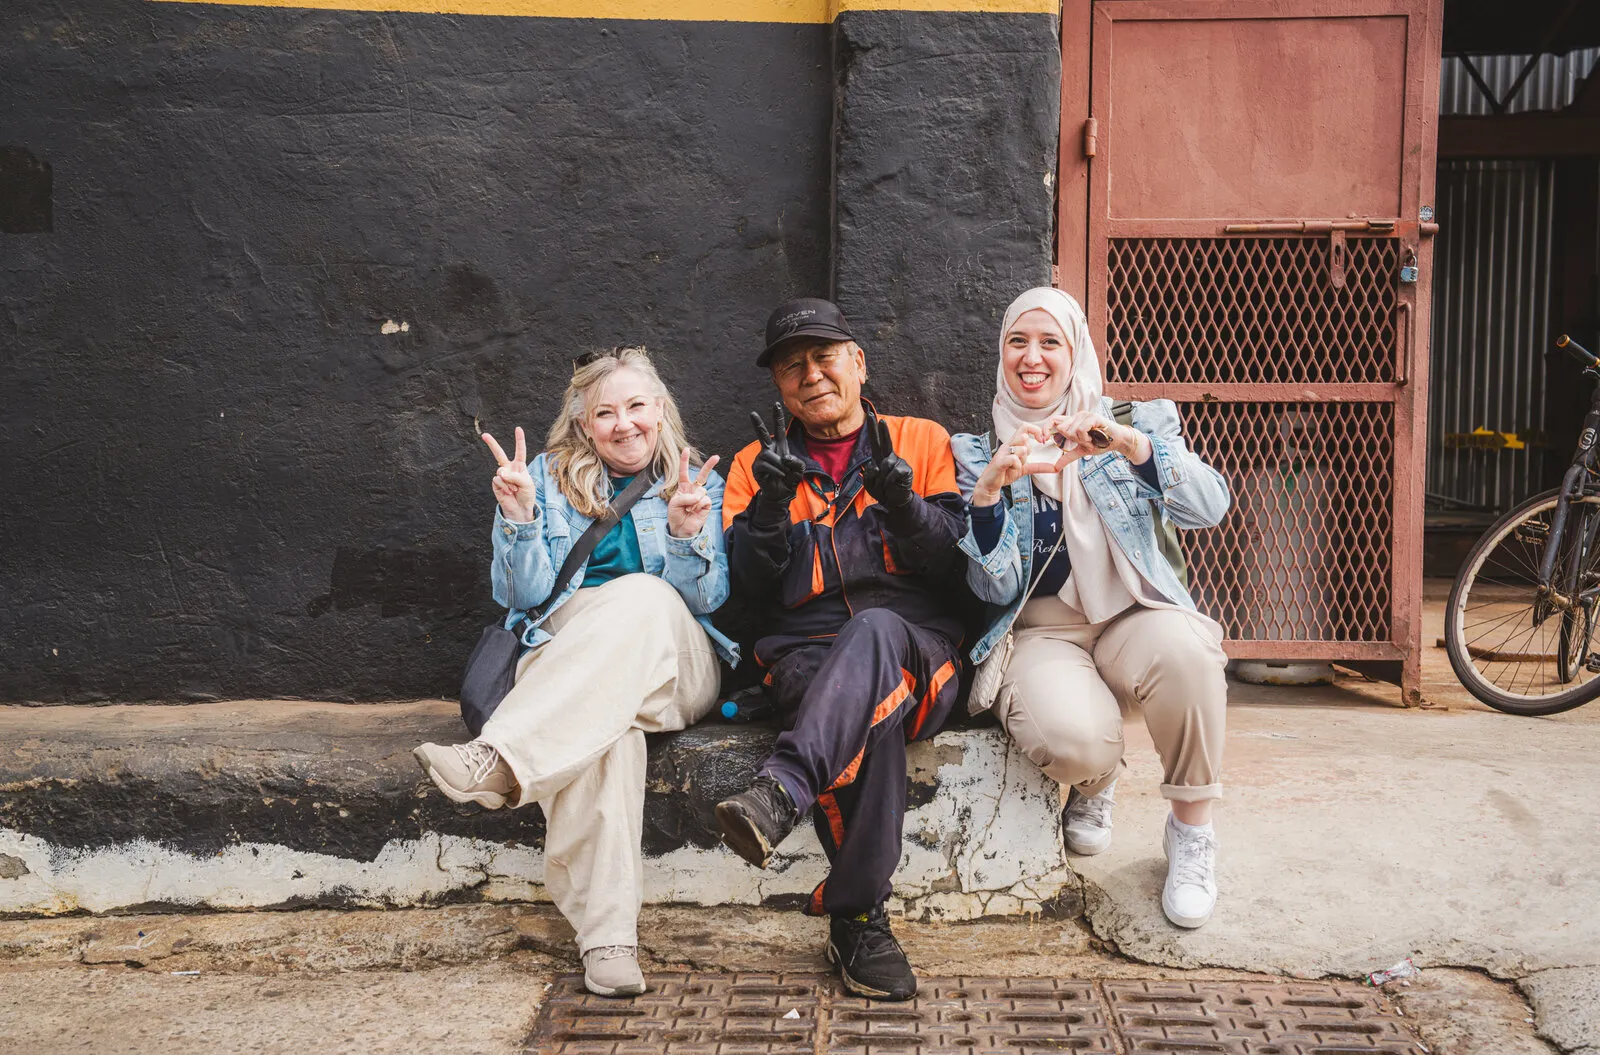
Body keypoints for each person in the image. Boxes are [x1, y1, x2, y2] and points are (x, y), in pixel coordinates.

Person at [412, 347, 736, 997]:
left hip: (678, 663)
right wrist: (520, 518)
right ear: (586, 424)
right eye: (606, 413)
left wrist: (684, 535)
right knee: (610, 732)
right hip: (575, 669)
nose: (624, 424)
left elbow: (708, 601)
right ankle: (608, 939)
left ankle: (504, 757)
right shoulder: (548, 476)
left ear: (660, 408)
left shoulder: (693, 478)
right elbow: (524, 599)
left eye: (637, 406)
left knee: (641, 598)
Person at [951, 287, 1231, 929]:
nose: (1032, 357)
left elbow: (1209, 508)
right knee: (1069, 740)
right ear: (1001, 354)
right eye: (1018, 341)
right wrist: (991, 498)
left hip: (1134, 611)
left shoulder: (1136, 420)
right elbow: (992, 592)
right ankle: (1097, 781)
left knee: (1189, 654)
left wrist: (1130, 448)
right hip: (1043, 630)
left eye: (1051, 342)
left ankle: (1191, 833)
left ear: (1075, 351)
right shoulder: (974, 451)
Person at [712, 298, 968, 1001]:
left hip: (920, 651)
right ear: (778, 387)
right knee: (865, 720)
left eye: (825, 356)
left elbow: (954, 567)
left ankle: (783, 788)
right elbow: (747, 592)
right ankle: (858, 917)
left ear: (858, 363)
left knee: (877, 631)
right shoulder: (753, 464)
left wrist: (906, 505)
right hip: (805, 656)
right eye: (792, 366)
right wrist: (767, 507)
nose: (811, 374)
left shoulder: (920, 439)